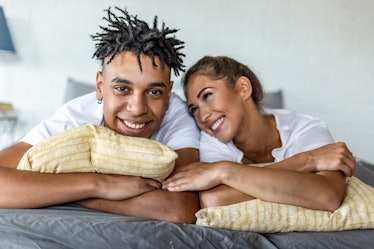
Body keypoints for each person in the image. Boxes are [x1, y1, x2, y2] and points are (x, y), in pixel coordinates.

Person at [0, 7, 200, 224]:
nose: (137, 108)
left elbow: (181, 208)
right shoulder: (76, 117)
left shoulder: (177, 115)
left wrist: (59, 191)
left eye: (154, 92)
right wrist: (100, 185)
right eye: (122, 89)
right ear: (100, 86)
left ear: (169, 95)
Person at [163, 55, 356, 212]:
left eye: (207, 96)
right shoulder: (211, 142)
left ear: (243, 88)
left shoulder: (305, 128)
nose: (203, 115)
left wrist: (224, 173)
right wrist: (307, 161)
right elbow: (214, 199)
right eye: (194, 109)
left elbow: (327, 196)